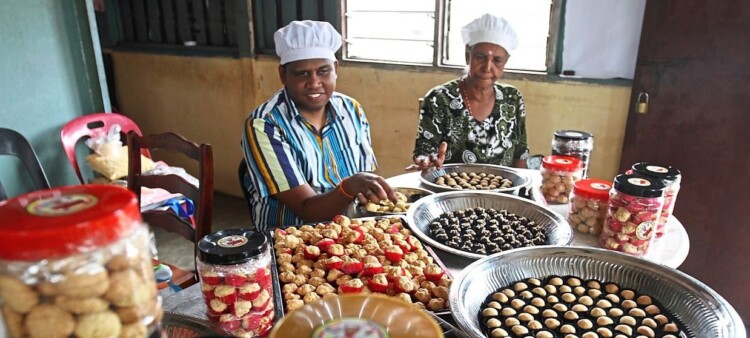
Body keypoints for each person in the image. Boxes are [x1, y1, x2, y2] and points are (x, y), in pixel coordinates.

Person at [241, 20, 396, 230]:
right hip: (292, 240)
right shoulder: (264, 125)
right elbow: (306, 211)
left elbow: (364, 184)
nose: (314, 83)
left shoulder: (351, 109)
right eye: (302, 73)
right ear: (283, 75)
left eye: (323, 71)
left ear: (336, 69)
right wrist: (349, 186)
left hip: (350, 230)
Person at [408, 14, 529, 171]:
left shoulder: (512, 98)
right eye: (480, 57)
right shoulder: (439, 98)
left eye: (497, 60)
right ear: (467, 56)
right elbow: (425, 150)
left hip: (503, 190)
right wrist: (426, 160)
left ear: (505, 63)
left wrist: (522, 191)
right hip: (449, 190)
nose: (487, 67)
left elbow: (521, 154)